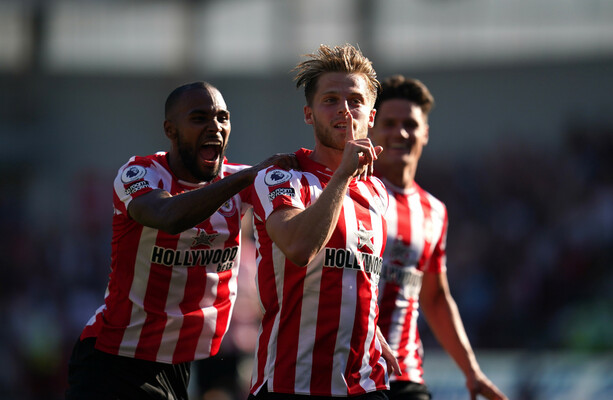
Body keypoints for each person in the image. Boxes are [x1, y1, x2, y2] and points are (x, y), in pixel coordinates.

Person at [65, 81, 297, 400]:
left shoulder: (240, 182)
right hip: (115, 359)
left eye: (222, 117)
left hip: (178, 364)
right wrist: (246, 177)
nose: (215, 127)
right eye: (199, 118)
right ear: (170, 130)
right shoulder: (140, 174)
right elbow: (168, 216)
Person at [247, 44, 400, 400]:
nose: (345, 111)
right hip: (292, 384)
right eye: (330, 100)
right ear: (308, 114)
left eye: (355, 100)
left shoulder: (378, 192)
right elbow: (300, 248)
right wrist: (343, 175)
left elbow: (355, 274)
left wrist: (370, 331)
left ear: (371, 116)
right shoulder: (282, 179)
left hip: (365, 383)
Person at [369, 75, 508, 400]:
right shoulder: (351, 194)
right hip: (350, 374)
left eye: (411, 124)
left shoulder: (433, 211)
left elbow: (435, 297)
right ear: (371, 129)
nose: (401, 133)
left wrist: (471, 371)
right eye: (389, 123)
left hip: (406, 376)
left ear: (426, 133)